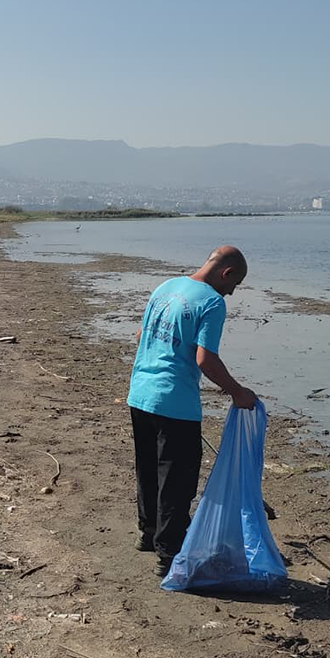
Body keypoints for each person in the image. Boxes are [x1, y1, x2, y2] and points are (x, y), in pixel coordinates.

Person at [126, 245, 258, 578]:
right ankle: (169, 554)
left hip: (140, 393)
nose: (232, 291)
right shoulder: (212, 302)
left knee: (148, 467)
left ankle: (148, 533)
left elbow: (142, 336)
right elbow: (205, 359)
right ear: (226, 273)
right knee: (177, 479)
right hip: (175, 402)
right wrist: (237, 392)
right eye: (235, 284)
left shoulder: (166, 287)